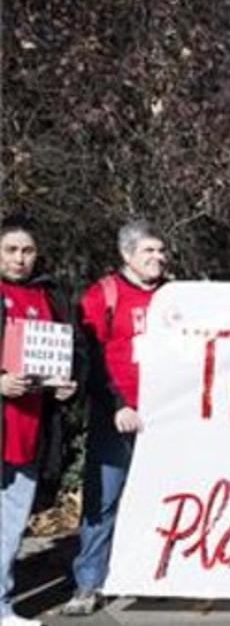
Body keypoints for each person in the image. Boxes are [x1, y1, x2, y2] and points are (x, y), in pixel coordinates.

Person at [63, 221, 168, 617]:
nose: (158, 258)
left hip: (166, 417)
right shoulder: (102, 295)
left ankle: (157, 576)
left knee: (163, 499)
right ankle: (89, 583)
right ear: (127, 255)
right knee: (103, 500)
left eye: (161, 251)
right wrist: (117, 405)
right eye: (148, 252)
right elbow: (89, 357)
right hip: (119, 416)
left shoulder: (175, 296)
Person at [1, 217, 78, 626]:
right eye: (11, 250)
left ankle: (2, 604)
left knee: (11, 527)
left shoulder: (49, 296)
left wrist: (66, 386)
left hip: (31, 429)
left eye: (26, 251)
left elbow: (66, 353)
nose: (19, 258)